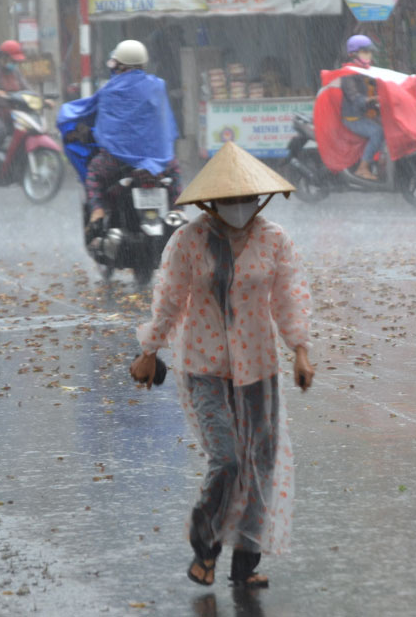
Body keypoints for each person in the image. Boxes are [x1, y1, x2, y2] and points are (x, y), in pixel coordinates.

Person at [129, 141, 315, 589]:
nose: (238, 207)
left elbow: (288, 297)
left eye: (245, 199)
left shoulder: (274, 240)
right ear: (211, 201)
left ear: (259, 197)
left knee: (261, 463)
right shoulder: (188, 241)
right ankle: (204, 548)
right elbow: (170, 299)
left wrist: (300, 350)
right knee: (228, 459)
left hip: (259, 367)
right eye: (228, 200)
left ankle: (244, 563)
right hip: (204, 367)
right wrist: (149, 349)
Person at [81, 39, 181, 234]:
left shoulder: (109, 89)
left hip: (118, 160)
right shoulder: (158, 86)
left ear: (119, 65)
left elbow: (91, 113)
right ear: (143, 63)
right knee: (175, 172)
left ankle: (98, 212)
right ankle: (178, 210)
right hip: (158, 160)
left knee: (93, 172)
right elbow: (165, 120)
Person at [341, 35, 384, 180]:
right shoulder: (348, 74)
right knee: (377, 132)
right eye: (365, 52)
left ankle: (380, 164)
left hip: (364, 114)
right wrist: (372, 99)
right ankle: (362, 168)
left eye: (369, 52)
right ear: (354, 54)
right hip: (353, 117)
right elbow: (356, 98)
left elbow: (377, 88)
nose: (369, 55)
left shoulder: (365, 72)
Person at [0, 40, 32, 153]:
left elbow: (27, 88)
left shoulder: (15, 71)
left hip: (13, 114)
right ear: (2, 57)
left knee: (28, 130)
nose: (14, 63)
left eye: (15, 61)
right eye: (12, 60)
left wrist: (42, 100)